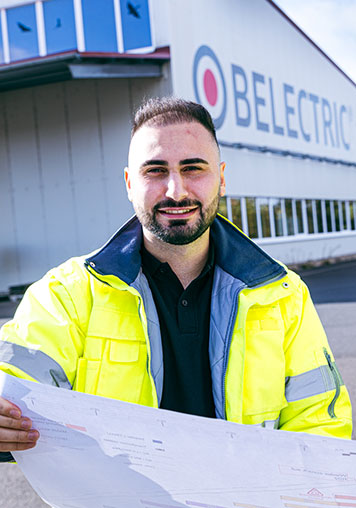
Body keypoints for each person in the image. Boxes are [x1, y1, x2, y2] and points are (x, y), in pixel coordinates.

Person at [0, 97, 352, 461]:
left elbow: (320, 428)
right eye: (154, 171)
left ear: (222, 178)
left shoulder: (283, 296)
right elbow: (13, 389)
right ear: (128, 183)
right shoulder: (68, 294)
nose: (175, 191)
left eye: (193, 168)